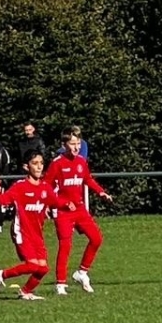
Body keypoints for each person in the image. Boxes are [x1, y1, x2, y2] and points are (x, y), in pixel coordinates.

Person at [48, 126, 113, 295]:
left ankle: (82, 272)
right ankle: (60, 284)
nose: (76, 147)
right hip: (63, 211)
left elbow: (87, 179)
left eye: (78, 143)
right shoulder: (57, 164)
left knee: (97, 238)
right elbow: (46, 188)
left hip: (79, 209)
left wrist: (101, 192)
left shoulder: (81, 162)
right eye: (72, 144)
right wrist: (61, 203)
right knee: (65, 245)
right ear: (64, 145)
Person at [0, 149, 54, 302]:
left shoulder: (45, 188)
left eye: (41, 164)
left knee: (43, 268)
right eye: (35, 163)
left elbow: (56, 202)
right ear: (26, 167)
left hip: (37, 233)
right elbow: (3, 200)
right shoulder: (20, 187)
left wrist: (69, 204)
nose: (39, 167)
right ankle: (0, 274)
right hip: (21, 231)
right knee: (32, 266)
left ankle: (25, 291)